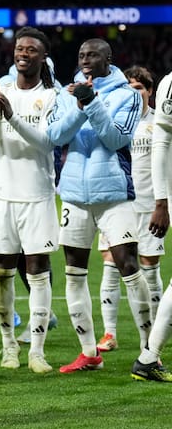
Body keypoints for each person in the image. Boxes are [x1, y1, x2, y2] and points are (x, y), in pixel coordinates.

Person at [47, 38, 152, 374]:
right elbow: (55, 136)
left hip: (114, 195)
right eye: (81, 55)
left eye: (92, 54)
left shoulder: (128, 95)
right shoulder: (66, 93)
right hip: (75, 195)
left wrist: (91, 102)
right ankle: (89, 352)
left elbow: (117, 137)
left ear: (109, 58)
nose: (85, 59)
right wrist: (79, 105)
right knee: (74, 273)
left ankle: (150, 351)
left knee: (129, 267)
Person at [0, 27, 59, 374]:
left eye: (31, 49)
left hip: (38, 195)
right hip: (4, 195)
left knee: (38, 271)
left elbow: (45, 143)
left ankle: (37, 351)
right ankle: (8, 346)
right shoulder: (1, 90)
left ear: (43, 58)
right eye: (19, 48)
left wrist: (11, 114)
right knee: (2, 272)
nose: (22, 53)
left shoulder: (53, 97)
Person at [97, 66, 164, 353]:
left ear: (150, 91)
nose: (134, 93)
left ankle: (156, 330)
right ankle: (109, 333)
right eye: (130, 87)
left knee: (149, 269)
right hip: (118, 202)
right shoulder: (116, 119)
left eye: (139, 88)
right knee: (110, 266)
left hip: (149, 206)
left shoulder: (160, 122)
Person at [134, 68, 172, 381]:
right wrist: (162, 202)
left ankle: (149, 357)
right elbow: (161, 141)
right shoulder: (171, 83)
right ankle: (148, 357)